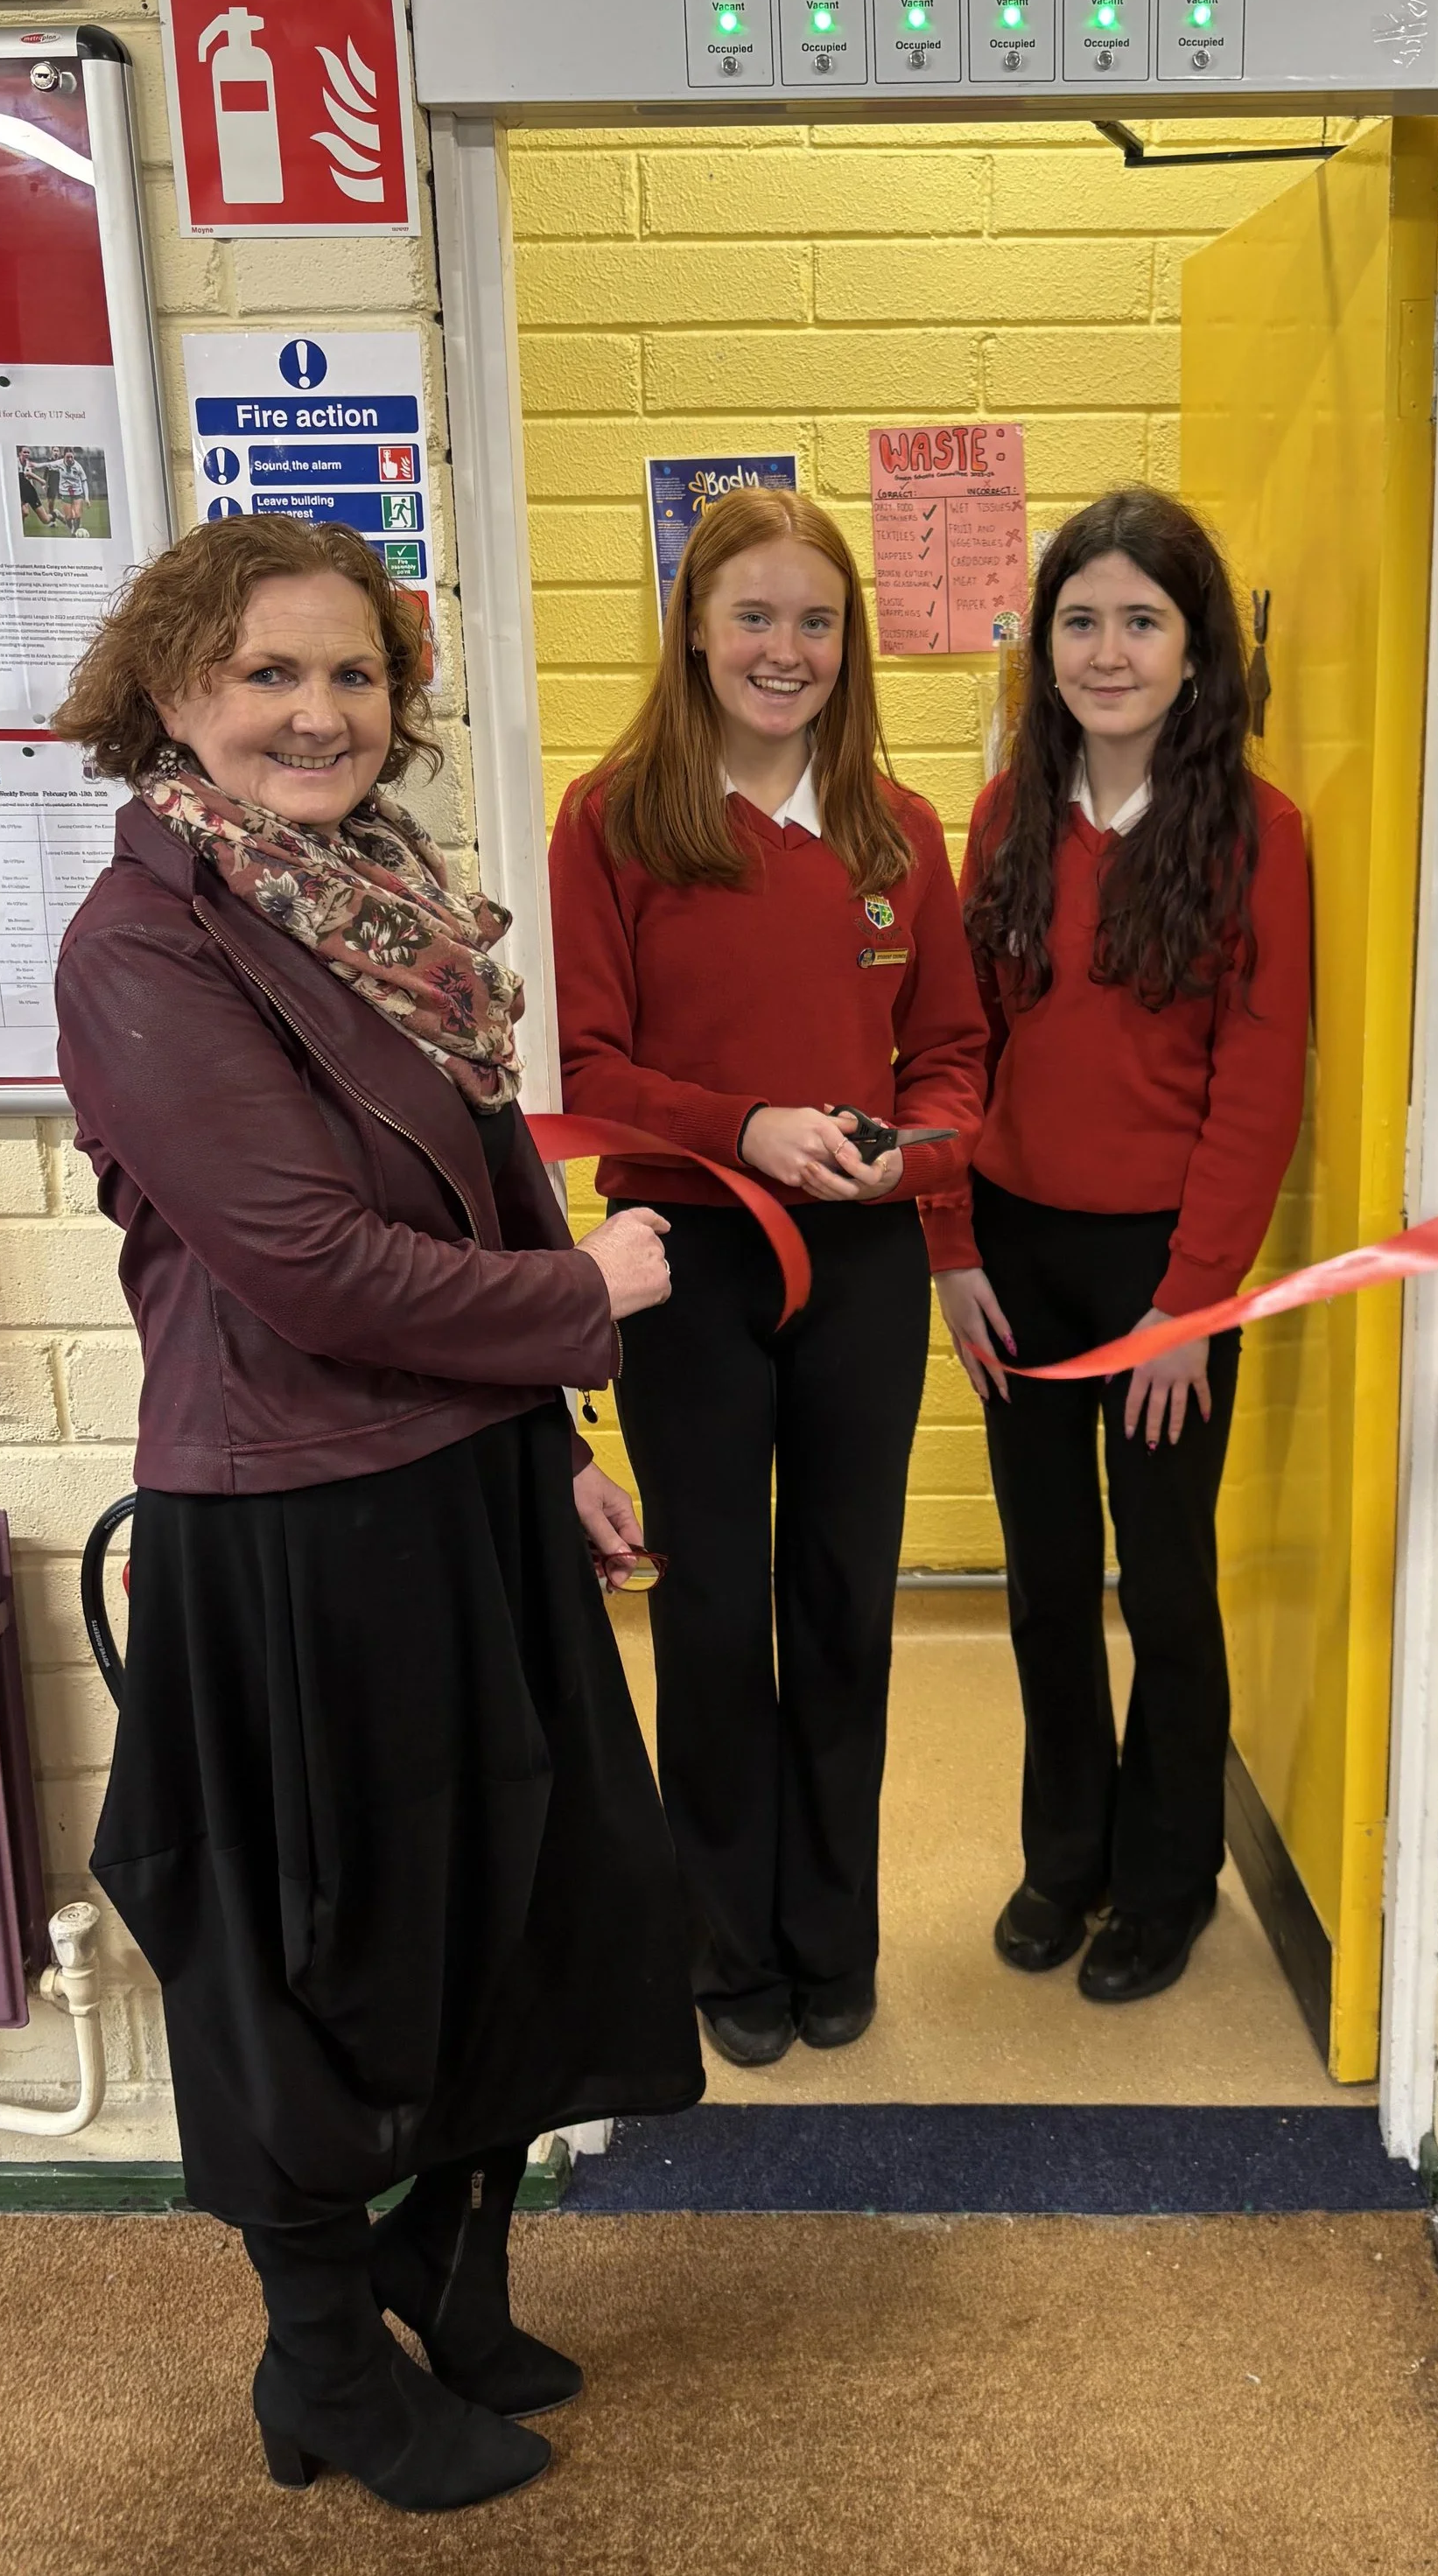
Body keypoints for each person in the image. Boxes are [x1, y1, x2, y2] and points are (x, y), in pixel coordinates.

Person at [52, 513, 702, 2516]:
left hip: (462, 1489)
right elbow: (310, 1261)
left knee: (527, 1913)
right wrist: (586, 1300)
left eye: (351, 674)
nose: (317, 712)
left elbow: (474, 1180)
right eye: (267, 675)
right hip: (297, 1525)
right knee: (325, 1973)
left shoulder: (380, 896)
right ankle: (324, 2360)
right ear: (174, 695)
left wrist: (554, 1441)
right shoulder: (144, 940)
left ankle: (449, 2263)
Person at [549, 486, 984, 2070]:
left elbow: (950, 1055)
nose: (785, 648)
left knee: (845, 1606)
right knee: (719, 1611)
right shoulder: (614, 818)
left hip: (855, 1256)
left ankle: (830, 1933)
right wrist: (744, 1124)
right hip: (689, 1255)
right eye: (755, 615)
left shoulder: (895, 830)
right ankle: (726, 1943)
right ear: (695, 627)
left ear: (846, 642)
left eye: (815, 620)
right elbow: (591, 1062)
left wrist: (913, 1151)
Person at [926, 489, 1308, 2007]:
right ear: (1046, 648)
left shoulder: (1259, 835)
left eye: (1141, 619)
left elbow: (1259, 1086)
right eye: (1079, 619)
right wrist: (951, 1242)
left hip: (1169, 1270)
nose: (1106, 648)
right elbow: (954, 1048)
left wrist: (1189, 1305)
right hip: (1014, 1255)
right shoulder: (1008, 815)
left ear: (1198, 650)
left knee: (1164, 1586)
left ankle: (1166, 1881)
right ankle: (1062, 1855)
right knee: (1041, 1580)